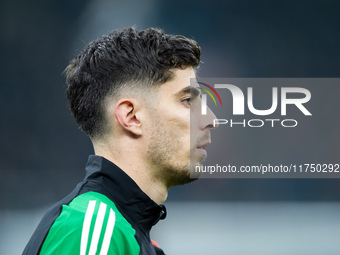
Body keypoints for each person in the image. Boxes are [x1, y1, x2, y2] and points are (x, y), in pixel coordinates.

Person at [23, 27, 217, 255]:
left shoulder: (125, 236)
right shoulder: (92, 230)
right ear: (131, 117)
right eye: (187, 100)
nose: (211, 119)